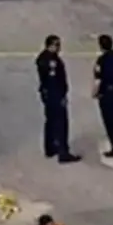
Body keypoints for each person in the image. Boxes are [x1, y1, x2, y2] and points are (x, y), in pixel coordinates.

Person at [36, 35, 81, 164]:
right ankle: (63, 152)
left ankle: (49, 148)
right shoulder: (51, 61)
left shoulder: (42, 58)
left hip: (47, 95)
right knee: (61, 123)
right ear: (50, 45)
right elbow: (54, 80)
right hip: (55, 95)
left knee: (50, 121)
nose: (59, 47)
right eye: (57, 45)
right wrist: (62, 95)